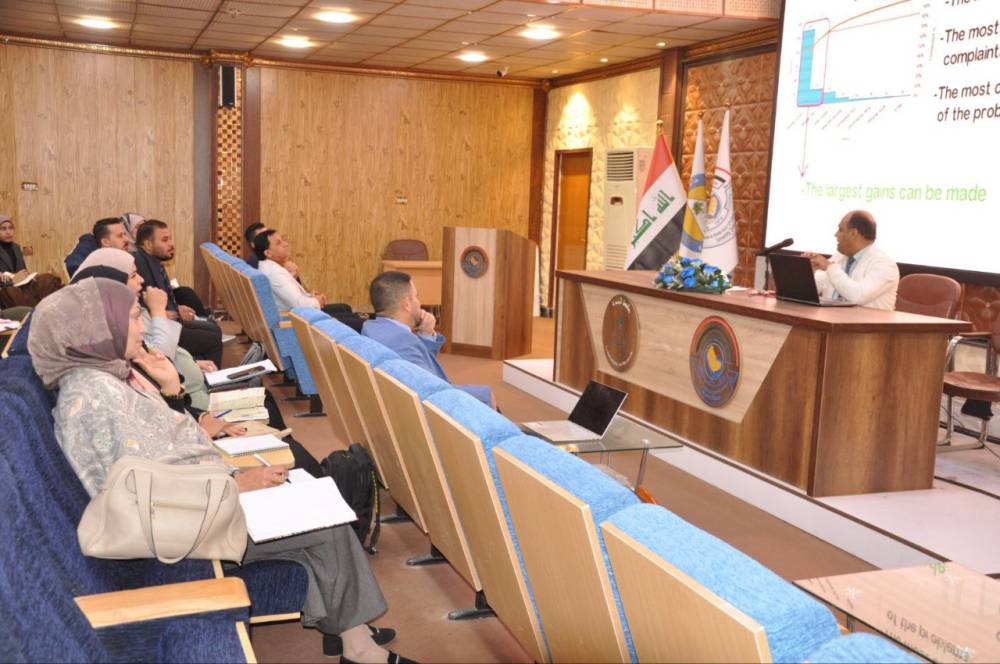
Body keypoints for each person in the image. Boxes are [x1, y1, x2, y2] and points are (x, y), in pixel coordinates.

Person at [27, 278, 411, 663]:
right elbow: (142, 495)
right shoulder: (94, 397)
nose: (144, 327)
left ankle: (350, 634)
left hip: (191, 508)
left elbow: (164, 454)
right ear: (100, 328)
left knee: (311, 509)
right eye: (132, 317)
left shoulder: (102, 377)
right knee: (325, 525)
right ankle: (359, 647)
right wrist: (236, 486)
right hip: (178, 528)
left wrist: (173, 390)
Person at [72, 248, 214, 412]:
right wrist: (158, 311)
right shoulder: (109, 335)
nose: (141, 280)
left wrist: (192, 364)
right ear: (113, 282)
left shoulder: (133, 308)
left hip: (187, 403)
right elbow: (158, 359)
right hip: (187, 405)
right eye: (133, 275)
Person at [364, 271, 493, 406]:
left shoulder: (372, 328)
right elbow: (432, 389)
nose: (419, 303)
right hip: (433, 408)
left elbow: (419, 364)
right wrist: (484, 395)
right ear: (407, 304)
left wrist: (426, 334)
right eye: (416, 296)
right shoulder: (401, 341)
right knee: (485, 395)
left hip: (397, 400)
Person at [134, 219, 224, 366]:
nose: (171, 244)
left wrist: (177, 308)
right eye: (165, 240)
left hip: (169, 319)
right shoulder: (139, 264)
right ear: (148, 245)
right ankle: (208, 375)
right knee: (212, 337)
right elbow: (139, 300)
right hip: (158, 327)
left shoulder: (152, 261)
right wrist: (159, 314)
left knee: (212, 327)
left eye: (170, 239)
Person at [805, 210, 900, 311]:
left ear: (853, 233)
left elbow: (858, 296)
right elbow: (811, 290)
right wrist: (808, 271)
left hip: (865, 321)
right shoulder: (838, 258)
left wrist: (829, 267)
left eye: (840, 229)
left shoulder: (885, 265)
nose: (835, 234)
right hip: (830, 318)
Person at [253, 230, 332, 313]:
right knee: (341, 313)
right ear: (268, 253)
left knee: (341, 308)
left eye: (283, 240)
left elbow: (291, 296)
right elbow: (299, 304)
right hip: (296, 317)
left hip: (298, 313)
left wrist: (310, 296)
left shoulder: (269, 267)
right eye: (278, 243)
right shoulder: (274, 273)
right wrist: (317, 301)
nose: (286, 244)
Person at [0, 215, 62, 308]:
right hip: (7, 289)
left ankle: (48, 309)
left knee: (48, 279)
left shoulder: (16, 247)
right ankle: (31, 312)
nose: (8, 232)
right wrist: (12, 281)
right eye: (3, 229)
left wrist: (27, 276)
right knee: (12, 291)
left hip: (22, 285)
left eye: (10, 228)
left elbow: (22, 270)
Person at [65, 217, 129, 276]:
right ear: (105, 242)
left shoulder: (124, 256)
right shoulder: (87, 250)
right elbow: (72, 268)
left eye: (125, 234)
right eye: (120, 236)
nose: (127, 239)